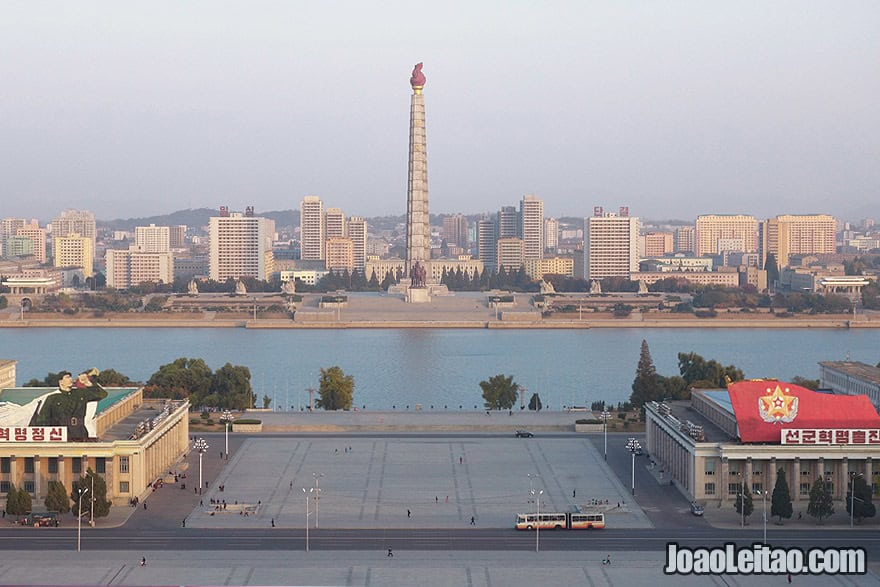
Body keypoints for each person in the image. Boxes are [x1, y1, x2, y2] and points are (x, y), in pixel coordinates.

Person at [31, 369, 108, 441]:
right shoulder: (53, 398)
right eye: (67, 377)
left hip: (79, 432)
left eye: (71, 377)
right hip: (60, 434)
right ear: (61, 382)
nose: (71, 379)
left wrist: (87, 383)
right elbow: (43, 419)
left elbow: (102, 394)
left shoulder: (80, 393)